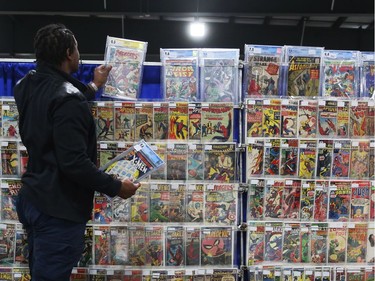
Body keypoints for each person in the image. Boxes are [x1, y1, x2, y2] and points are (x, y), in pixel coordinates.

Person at [13, 23, 140, 280]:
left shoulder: (25, 85)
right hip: (57, 207)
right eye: (78, 50)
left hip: (33, 197)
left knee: (41, 272)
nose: (79, 55)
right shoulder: (68, 100)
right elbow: (73, 162)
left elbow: (56, 98)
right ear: (70, 53)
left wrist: (93, 86)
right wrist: (116, 187)